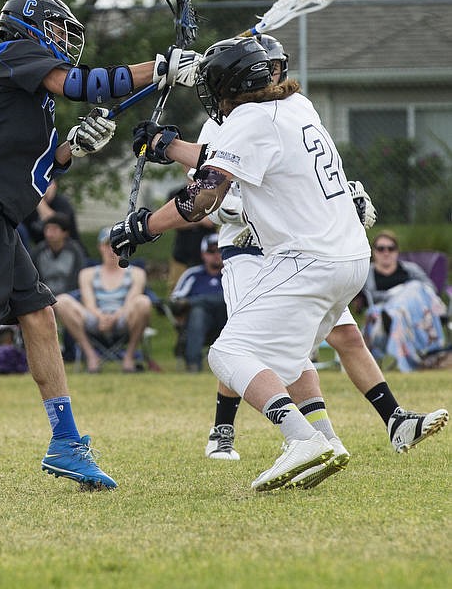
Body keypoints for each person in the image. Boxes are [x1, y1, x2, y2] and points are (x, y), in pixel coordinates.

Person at [0, 0, 200, 490]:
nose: (63, 40)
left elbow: (37, 162)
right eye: (57, 29)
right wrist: (161, 67)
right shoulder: (10, 54)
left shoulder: (29, 91)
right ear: (30, 27)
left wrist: (73, 148)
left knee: (39, 314)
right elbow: (86, 83)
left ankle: (66, 443)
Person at [112, 36, 395, 493]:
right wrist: (168, 146)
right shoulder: (297, 106)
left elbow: (204, 195)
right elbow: (236, 157)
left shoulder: (247, 119)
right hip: (350, 259)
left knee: (228, 354)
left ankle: (301, 438)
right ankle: (323, 438)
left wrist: (144, 226)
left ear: (230, 85)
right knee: (283, 359)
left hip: (307, 260)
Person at [197, 37, 448, 463]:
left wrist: (347, 199)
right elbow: (206, 194)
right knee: (245, 344)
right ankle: (230, 431)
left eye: (277, 66)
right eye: (267, 67)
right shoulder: (225, 124)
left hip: (303, 249)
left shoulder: (293, 109)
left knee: (341, 337)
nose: (274, 75)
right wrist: (229, 204)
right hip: (251, 248)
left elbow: (315, 174)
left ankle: (379, 423)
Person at [54, 227, 152, 373]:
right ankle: (91, 356)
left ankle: (129, 357)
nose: (111, 250)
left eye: (116, 245)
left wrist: (113, 318)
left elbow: (131, 302)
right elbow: (89, 304)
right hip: (95, 318)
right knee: (61, 301)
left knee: (143, 302)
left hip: (124, 319)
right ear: (100, 247)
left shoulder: (137, 273)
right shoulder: (87, 274)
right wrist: (101, 317)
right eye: (107, 245)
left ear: (124, 247)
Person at [362, 230, 447, 372]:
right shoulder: (367, 274)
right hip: (383, 308)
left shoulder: (410, 269)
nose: (386, 252)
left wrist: (404, 292)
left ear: (397, 251)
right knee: (394, 312)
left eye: (391, 248)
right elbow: (369, 296)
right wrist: (393, 295)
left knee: (414, 287)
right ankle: (394, 316)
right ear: (374, 252)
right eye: (381, 248)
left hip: (414, 311)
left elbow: (427, 288)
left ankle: (394, 316)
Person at [169, 233, 228, 372]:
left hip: (227, 323)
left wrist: (194, 301)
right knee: (198, 312)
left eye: (220, 250)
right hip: (200, 325)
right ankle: (193, 365)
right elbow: (175, 301)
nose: (216, 255)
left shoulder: (232, 274)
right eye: (211, 251)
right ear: (203, 254)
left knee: (217, 302)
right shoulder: (193, 275)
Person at [165, 185, 216, 292]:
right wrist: (199, 220)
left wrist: (188, 219)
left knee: (208, 289)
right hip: (182, 254)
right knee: (176, 289)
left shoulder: (212, 191)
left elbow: (213, 221)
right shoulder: (177, 193)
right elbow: (171, 222)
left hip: (208, 255)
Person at [21, 179, 85, 252]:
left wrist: (39, 199)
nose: (44, 189)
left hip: (71, 252)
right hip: (44, 254)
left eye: (47, 185)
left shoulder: (61, 202)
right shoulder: (30, 206)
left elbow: (55, 222)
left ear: (54, 186)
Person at [31, 213, 86, 297]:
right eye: (47, 229)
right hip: (43, 297)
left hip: (69, 297)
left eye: (54, 229)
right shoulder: (38, 251)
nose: (50, 233)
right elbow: (34, 276)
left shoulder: (75, 251)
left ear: (65, 233)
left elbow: (77, 276)